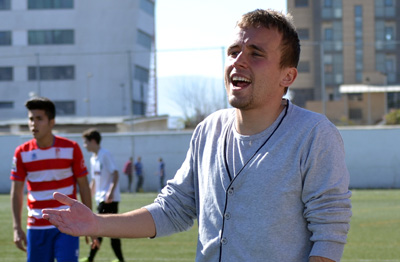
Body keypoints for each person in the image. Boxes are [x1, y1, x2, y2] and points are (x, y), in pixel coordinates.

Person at [43, 9, 352, 262]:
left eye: (256, 53)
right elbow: (173, 210)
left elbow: (329, 233)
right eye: (233, 51)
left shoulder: (314, 135)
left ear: (288, 76)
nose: (238, 61)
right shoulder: (209, 130)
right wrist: (98, 223)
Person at [10, 97, 92, 262]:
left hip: (67, 223)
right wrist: (16, 227)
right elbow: (16, 191)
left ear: (51, 122)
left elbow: (83, 186)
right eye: (31, 119)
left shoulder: (71, 148)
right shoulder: (21, 153)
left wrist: (89, 219)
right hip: (36, 225)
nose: (34, 124)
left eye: (39, 119)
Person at [81, 128, 125, 262]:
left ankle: (90, 258)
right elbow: (95, 179)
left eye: (86, 142)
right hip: (100, 199)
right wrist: (88, 194)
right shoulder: (93, 158)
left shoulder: (105, 154)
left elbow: (115, 173)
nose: (84, 145)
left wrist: (110, 192)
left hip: (108, 200)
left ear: (93, 141)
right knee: (109, 231)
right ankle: (120, 259)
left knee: (101, 229)